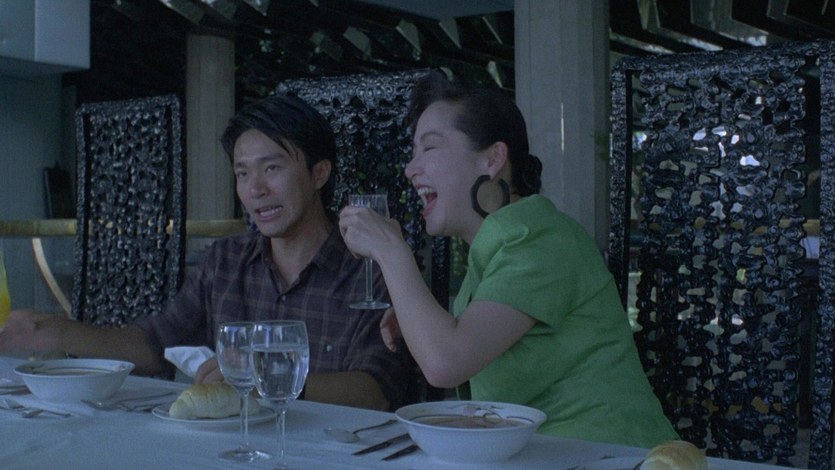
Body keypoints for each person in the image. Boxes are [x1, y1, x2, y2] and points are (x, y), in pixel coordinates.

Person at [0, 94, 417, 411]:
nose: (255, 189)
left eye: (272, 168)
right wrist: (59, 332)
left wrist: (267, 379)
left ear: (318, 173)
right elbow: (155, 345)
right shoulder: (227, 261)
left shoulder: (372, 265)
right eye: (242, 173)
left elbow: (377, 390)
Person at [338, 70, 678, 446]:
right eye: (413, 153)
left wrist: (391, 250)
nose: (410, 169)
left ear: (492, 158)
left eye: (429, 148)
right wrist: (421, 319)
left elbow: (446, 363)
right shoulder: (499, 245)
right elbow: (465, 345)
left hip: (617, 454)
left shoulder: (540, 240)